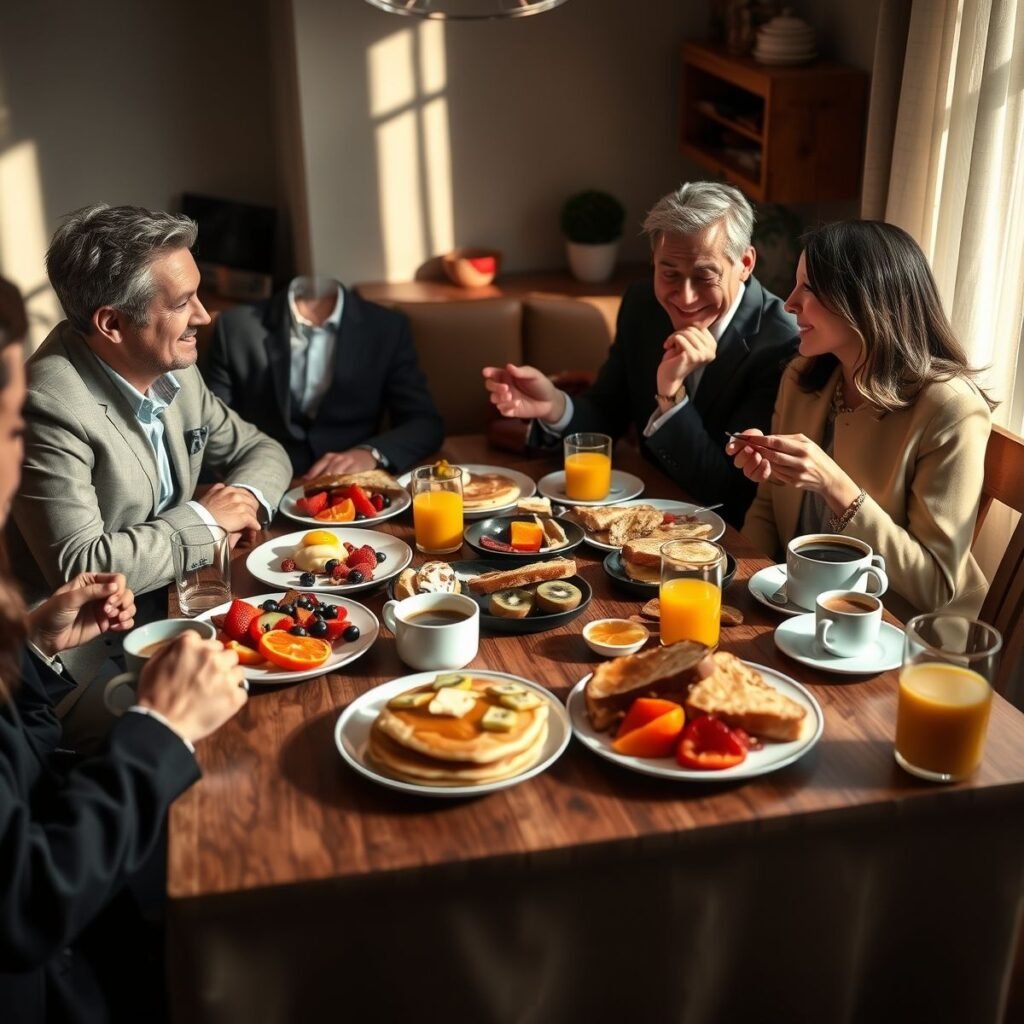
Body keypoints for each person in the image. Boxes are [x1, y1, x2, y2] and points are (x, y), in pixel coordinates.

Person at [0, 277, 248, 1023]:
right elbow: (25, 902)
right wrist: (158, 730)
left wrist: (36, 657)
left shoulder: (179, 373)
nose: (18, 458)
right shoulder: (60, 396)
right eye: (10, 431)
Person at [11, 204, 293, 605]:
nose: (204, 316)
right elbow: (82, 569)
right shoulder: (45, 406)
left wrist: (242, 502)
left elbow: (260, 449)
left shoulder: (173, 364)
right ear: (111, 323)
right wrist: (207, 521)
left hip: (183, 592)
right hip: (93, 636)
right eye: (181, 303)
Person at [482, 181, 799, 526]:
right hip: (641, 514)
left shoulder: (780, 344)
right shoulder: (642, 304)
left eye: (704, 276)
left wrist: (671, 396)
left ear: (746, 263)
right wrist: (554, 405)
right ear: (654, 261)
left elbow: (726, 490)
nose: (685, 297)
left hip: (721, 536)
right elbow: (607, 413)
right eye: (669, 274)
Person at [728, 220, 994, 619]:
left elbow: (936, 587)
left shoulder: (950, 408)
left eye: (809, 288)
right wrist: (737, 591)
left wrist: (834, 485)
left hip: (900, 633)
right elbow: (767, 506)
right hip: (800, 612)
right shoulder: (801, 377)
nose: (789, 303)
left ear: (863, 300)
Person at [202, 275, 443, 478]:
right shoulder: (235, 327)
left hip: (353, 487)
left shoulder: (386, 327)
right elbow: (210, 429)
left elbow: (424, 423)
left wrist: (370, 453)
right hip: (264, 482)